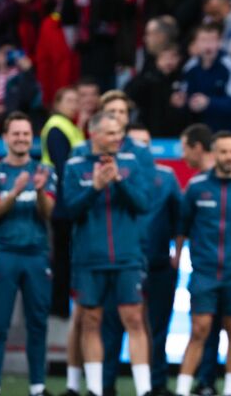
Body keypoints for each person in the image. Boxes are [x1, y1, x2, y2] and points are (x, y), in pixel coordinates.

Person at [63, 112, 152, 396]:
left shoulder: (130, 163)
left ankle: (144, 390)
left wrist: (119, 182)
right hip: (89, 259)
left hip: (127, 257)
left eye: (119, 133)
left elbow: (143, 204)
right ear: (94, 134)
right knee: (90, 321)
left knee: (135, 319)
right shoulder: (75, 166)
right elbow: (69, 211)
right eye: (112, 133)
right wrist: (96, 188)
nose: (118, 138)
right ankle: (95, 389)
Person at [174, 131, 231, 396]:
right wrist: (177, 255)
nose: (229, 156)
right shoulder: (196, 186)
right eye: (223, 151)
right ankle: (182, 389)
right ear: (214, 154)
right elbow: (183, 225)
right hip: (204, 272)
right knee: (199, 330)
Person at [0, 112, 55, 396]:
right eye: (16, 133)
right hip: (5, 253)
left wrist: (37, 191)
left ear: (31, 138)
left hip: (37, 255)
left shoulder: (44, 171)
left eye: (26, 133)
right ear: (5, 138)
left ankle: (37, 386)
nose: (21, 138)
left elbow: (48, 213)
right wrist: (14, 192)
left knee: (38, 323)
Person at [126, 125, 182, 396]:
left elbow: (180, 218)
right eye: (135, 143)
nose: (141, 149)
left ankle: (156, 384)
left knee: (158, 326)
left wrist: (177, 253)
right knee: (116, 327)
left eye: (145, 143)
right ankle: (106, 383)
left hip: (159, 264)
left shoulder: (166, 176)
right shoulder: (116, 174)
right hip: (124, 264)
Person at [40, 86, 83, 319]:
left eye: (76, 100)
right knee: (62, 256)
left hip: (68, 198)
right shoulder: (57, 127)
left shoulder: (69, 126)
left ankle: (63, 305)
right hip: (62, 200)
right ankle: (59, 307)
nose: (73, 104)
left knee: (66, 255)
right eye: (68, 100)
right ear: (56, 103)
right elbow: (63, 165)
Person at [180, 23, 231, 136]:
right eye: (203, 40)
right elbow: (184, 96)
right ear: (195, 43)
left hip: (229, 130)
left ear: (219, 43)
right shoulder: (190, 66)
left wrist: (209, 102)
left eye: (212, 40)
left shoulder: (228, 65)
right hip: (200, 131)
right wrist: (185, 102)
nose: (208, 45)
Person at [125, 44, 190, 137]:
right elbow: (130, 94)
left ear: (179, 59)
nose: (169, 61)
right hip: (149, 132)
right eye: (165, 57)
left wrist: (185, 102)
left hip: (175, 135)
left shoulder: (184, 78)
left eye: (173, 56)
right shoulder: (146, 76)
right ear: (157, 58)